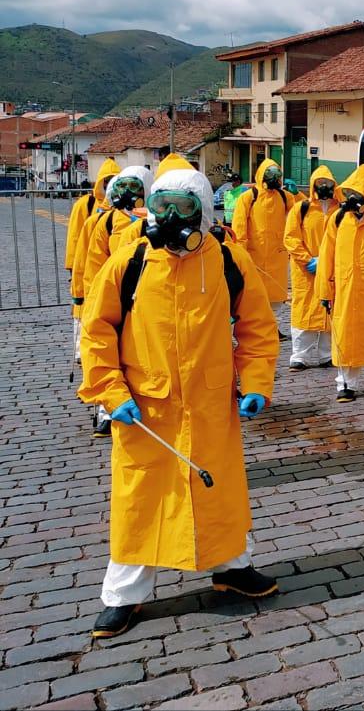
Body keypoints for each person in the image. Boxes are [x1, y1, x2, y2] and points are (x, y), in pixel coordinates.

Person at [78, 167, 279, 639]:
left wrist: (255, 382)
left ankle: (231, 567)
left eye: (182, 207)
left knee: (219, 489)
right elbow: (97, 332)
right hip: (146, 409)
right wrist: (112, 393)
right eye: (161, 204)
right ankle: (123, 595)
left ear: (204, 212)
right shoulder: (129, 263)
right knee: (140, 501)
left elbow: (256, 327)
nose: (168, 216)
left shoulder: (229, 261)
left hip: (209, 405)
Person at [75, 166, 154, 438]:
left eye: (135, 187)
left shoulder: (153, 222)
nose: (128, 194)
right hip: (111, 297)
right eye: (123, 187)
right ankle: (105, 411)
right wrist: (87, 302)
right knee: (105, 353)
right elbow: (90, 266)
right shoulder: (104, 222)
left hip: (141, 300)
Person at [317, 165, 364, 401]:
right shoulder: (338, 220)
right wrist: (324, 290)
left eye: (357, 193)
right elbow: (326, 257)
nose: (352, 199)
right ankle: (346, 385)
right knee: (346, 341)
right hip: (346, 292)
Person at [282, 167, 341, 371]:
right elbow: (291, 238)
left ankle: (327, 354)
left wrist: (331, 262)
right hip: (305, 271)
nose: (325, 187)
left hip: (331, 270)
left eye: (328, 183)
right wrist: (307, 260)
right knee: (304, 310)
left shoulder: (340, 210)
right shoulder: (302, 208)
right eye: (320, 183)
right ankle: (300, 355)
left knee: (329, 309)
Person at [231, 160, 296, 339]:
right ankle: (256, 329)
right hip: (254, 255)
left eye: (277, 176)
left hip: (277, 255)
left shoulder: (285, 197)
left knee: (276, 298)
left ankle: (273, 329)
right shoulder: (248, 197)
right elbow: (239, 227)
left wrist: (299, 195)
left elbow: (300, 213)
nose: (274, 180)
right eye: (270, 176)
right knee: (254, 296)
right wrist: (241, 255)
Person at [66, 158, 121, 359]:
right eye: (107, 181)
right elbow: (74, 237)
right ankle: (82, 350)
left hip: (110, 267)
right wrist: (73, 268)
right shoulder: (85, 205)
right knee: (83, 311)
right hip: (88, 265)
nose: (109, 185)